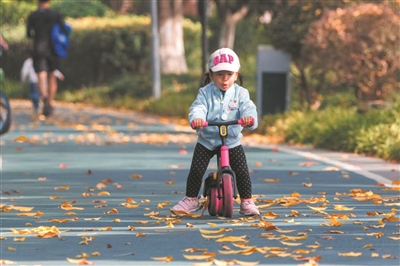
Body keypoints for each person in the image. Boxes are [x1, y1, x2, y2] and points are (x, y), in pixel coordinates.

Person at [171, 48, 260, 217]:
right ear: (211, 75)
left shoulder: (241, 93)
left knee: (241, 171)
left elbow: (249, 108)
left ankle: (246, 201)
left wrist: (249, 118)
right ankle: (191, 199)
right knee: (196, 170)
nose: (224, 79)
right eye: (219, 74)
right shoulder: (205, 92)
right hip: (208, 140)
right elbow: (198, 107)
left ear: (236, 74)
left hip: (232, 140)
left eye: (229, 74)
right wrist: (197, 118)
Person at [26, 0, 67, 116]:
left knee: (41, 75)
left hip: (38, 49)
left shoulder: (33, 16)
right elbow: (64, 30)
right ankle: (50, 100)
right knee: (52, 75)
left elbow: (29, 34)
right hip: (53, 49)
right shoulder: (56, 14)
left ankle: (44, 97)